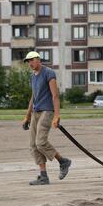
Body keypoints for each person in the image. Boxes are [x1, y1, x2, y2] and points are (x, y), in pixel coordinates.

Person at [21, 51, 72, 185]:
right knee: (33, 145)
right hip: (36, 112)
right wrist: (27, 116)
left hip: (47, 111)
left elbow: (55, 95)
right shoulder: (33, 76)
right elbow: (33, 96)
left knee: (41, 142)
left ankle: (63, 161)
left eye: (32, 60)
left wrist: (57, 115)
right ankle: (43, 176)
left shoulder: (48, 73)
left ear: (38, 59)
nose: (30, 63)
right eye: (28, 61)